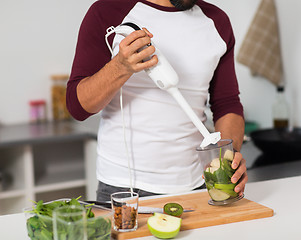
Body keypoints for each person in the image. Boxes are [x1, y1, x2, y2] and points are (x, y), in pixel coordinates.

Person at [67, 0, 248, 201]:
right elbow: (78, 107)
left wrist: (230, 157)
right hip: (123, 188)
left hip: (199, 185)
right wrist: (120, 67)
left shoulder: (217, 22)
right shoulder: (107, 12)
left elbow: (227, 103)